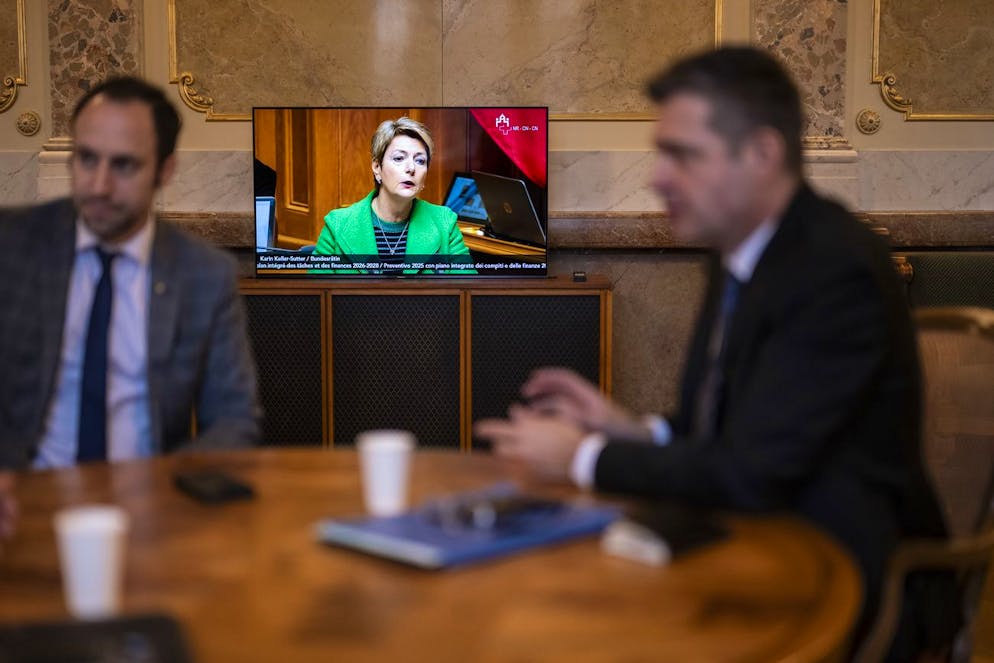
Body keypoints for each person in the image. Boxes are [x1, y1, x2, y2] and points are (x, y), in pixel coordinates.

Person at [475, 47, 956, 659]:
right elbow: (740, 425)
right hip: (756, 535)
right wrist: (631, 429)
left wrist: (586, 457)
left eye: (681, 154)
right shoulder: (738, 247)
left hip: (846, 577)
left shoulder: (833, 269)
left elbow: (751, 472)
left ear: (760, 153)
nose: (657, 177)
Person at [0, 76, 261, 481]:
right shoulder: (12, 247)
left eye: (123, 165)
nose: (99, 185)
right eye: (87, 159)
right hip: (23, 499)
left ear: (164, 170)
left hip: (147, 501)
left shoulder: (204, 275)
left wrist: (166, 484)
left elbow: (234, 418)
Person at [313, 116, 474, 274]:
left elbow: (466, 292)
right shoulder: (337, 224)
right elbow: (316, 295)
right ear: (377, 167)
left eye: (420, 161)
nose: (411, 168)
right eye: (399, 158)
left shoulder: (445, 222)